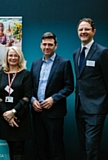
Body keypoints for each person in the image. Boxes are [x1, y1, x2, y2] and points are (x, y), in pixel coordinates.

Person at [73, 18, 108, 160]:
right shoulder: (76, 54)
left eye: (86, 29)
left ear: (94, 31)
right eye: (81, 29)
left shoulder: (103, 52)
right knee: (84, 145)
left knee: (92, 145)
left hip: (96, 107)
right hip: (79, 106)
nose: (83, 32)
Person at [30, 32, 74, 160]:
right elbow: (31, 87)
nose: (47, 47)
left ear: (56, 46)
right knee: (40, 147)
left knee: (56, 148)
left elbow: (69, 87)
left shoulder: (64, 63)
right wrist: (32, 101)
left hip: (55, 113)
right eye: (44, 44)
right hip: (37, 112)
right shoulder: (35, 63)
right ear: (40, 45)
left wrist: (53, 99)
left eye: (50, 44)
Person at [0, 46, 32, 160]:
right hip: (5, 118)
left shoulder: (26, 74)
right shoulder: (2, 74)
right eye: (10, 55)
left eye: (15, 55)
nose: (13, 58)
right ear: (6, 57)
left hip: (20, 117)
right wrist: (7, 115)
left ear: (19, 57)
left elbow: (26, 97)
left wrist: (13, 112)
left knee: (18, 148)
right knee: (10, 147)